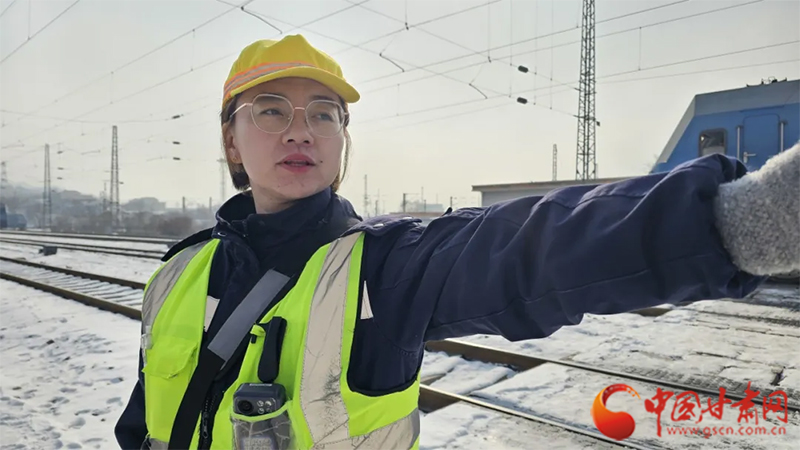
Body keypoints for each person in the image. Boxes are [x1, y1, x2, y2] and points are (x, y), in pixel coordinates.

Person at [114, 34, 799, 450]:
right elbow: (144, 424)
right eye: (271, 111)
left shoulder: (384, 268)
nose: (301, 129)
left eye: (324, 114)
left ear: (343, 139)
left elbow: (532, 251)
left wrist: (747, 217)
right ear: (231, 141)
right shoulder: (177, 275)